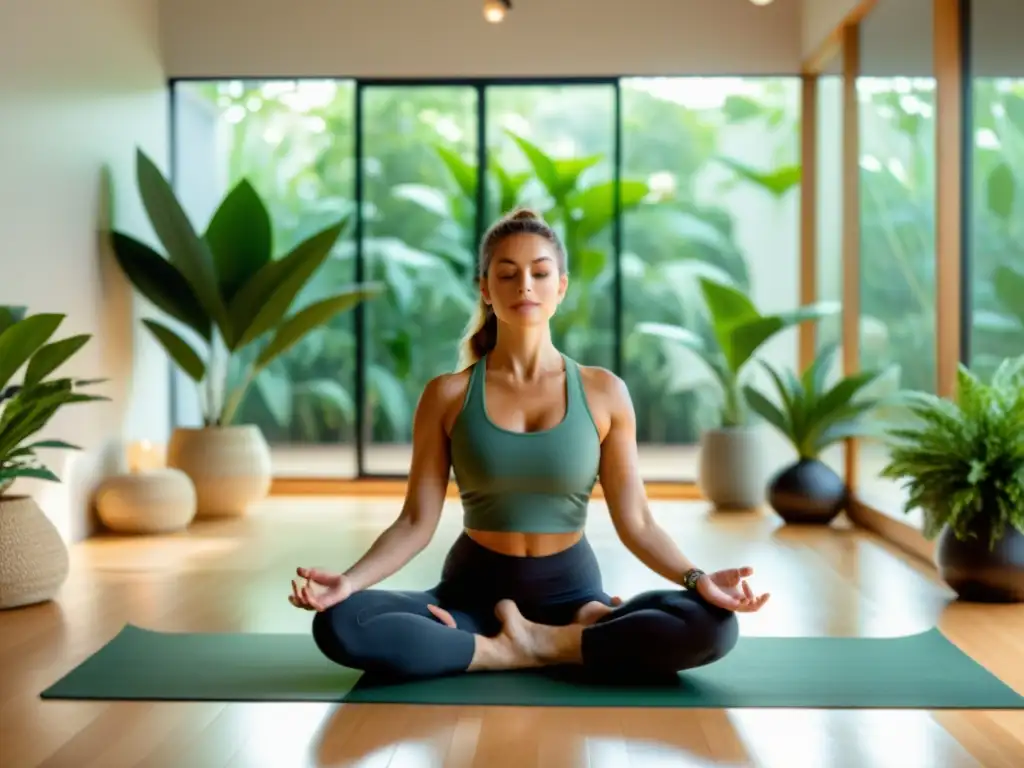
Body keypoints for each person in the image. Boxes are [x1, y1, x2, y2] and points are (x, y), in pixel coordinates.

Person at [289, 208, 770, 682]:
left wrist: (697, 579)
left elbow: (638, 522)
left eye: (540, 273)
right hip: (471, 599)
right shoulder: (448, 395)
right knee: (340, 623)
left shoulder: (604, 392)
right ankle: (513, 649)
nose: (525, 286)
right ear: (485, 288)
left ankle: (539, 643)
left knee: (713, 625)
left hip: (575, 599)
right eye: (508, 274)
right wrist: (348, 582)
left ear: (560, 287)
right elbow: (416, 521)